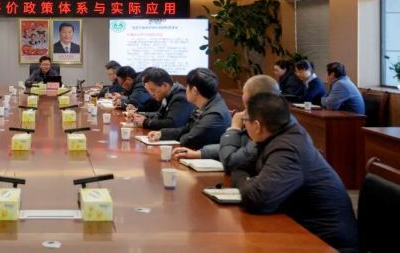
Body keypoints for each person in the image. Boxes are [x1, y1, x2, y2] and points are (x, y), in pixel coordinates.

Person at [231, 92, 359, 251]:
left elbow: (257, 199)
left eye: (245, 120)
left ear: (257, 126)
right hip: (305, 231)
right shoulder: (278, 135)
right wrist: (248, 181)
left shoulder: (288, 148)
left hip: (327, 244)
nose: (244, 125)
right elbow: (238, 166)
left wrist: (245, 181)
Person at [173, 75, 278, 173]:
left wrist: (234, 128)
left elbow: (230, 162)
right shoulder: (265, 117)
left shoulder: (266, 125)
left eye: (243, 93)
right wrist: (199, 153)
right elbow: (239, 147)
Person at [148, 68, 230, 149]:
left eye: (187, 86)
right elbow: (187, 128)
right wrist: (162, 134)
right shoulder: (207, 103)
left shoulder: (214, 115)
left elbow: (188, 140)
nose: (185, 89)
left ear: (194, 91)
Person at [128, 68, 194, 130]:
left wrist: (145, 122)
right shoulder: (168, 94)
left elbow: (172, 124)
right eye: (149, 91)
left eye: (153, 90)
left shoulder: (180, 98)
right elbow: (159, 115)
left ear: (165, 85)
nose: (151, 94)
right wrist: (139, 114)